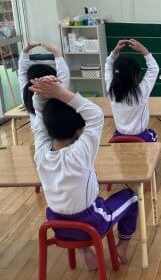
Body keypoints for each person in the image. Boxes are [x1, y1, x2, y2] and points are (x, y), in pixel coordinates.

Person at [30, 76, 139, 266]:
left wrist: (40, 92)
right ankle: (121, 247)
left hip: (57, 224)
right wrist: (61, 93)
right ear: (78, 131)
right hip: (90, 223)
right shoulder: (80, 153)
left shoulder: (41, 154)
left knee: (76, 204)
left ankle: (86, 252)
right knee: (131, 197)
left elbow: (39, 120)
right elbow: (95, 115)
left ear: (48, 127)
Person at [105, 39, 160, 142]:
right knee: (154, 135)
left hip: (118, 138)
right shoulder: (141, 91)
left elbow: (108, 65)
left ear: (116, 74)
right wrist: (143, 50)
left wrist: (114, 52)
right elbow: (154, 69)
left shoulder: (111, 90)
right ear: (135, 77)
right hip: (141, 138)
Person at [18, 42, 69, 117]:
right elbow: (63, 74)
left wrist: (25, 51)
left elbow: (22, 73)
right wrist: (56, 51)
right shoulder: (58, 95)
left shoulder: (27, 93)